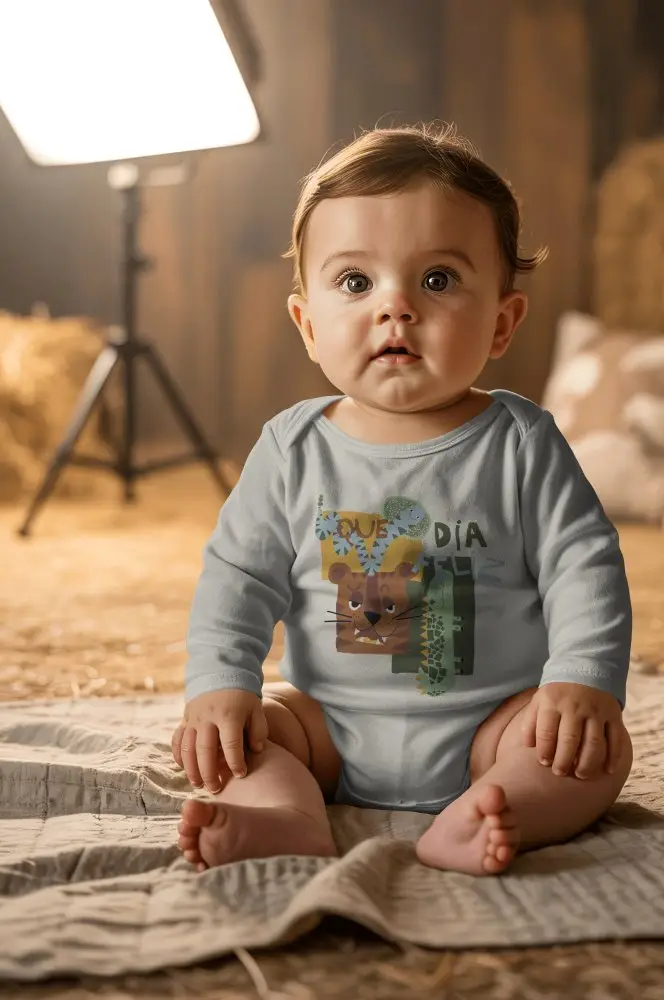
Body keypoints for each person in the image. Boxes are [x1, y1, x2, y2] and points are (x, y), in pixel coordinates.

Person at [172, 123, 634, 877]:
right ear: (308, 324)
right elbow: (237, 578)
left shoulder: (520, 441)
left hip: (495, 724)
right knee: (244, 739)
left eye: (439, 280)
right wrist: (220, 685)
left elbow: (585, 567)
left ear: (503, 322)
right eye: (356, 283)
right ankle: (288, 815)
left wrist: (581, 680)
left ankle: (488, 810)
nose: (397, 308)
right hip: (327, 727)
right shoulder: (293, 448)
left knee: (593, 754)